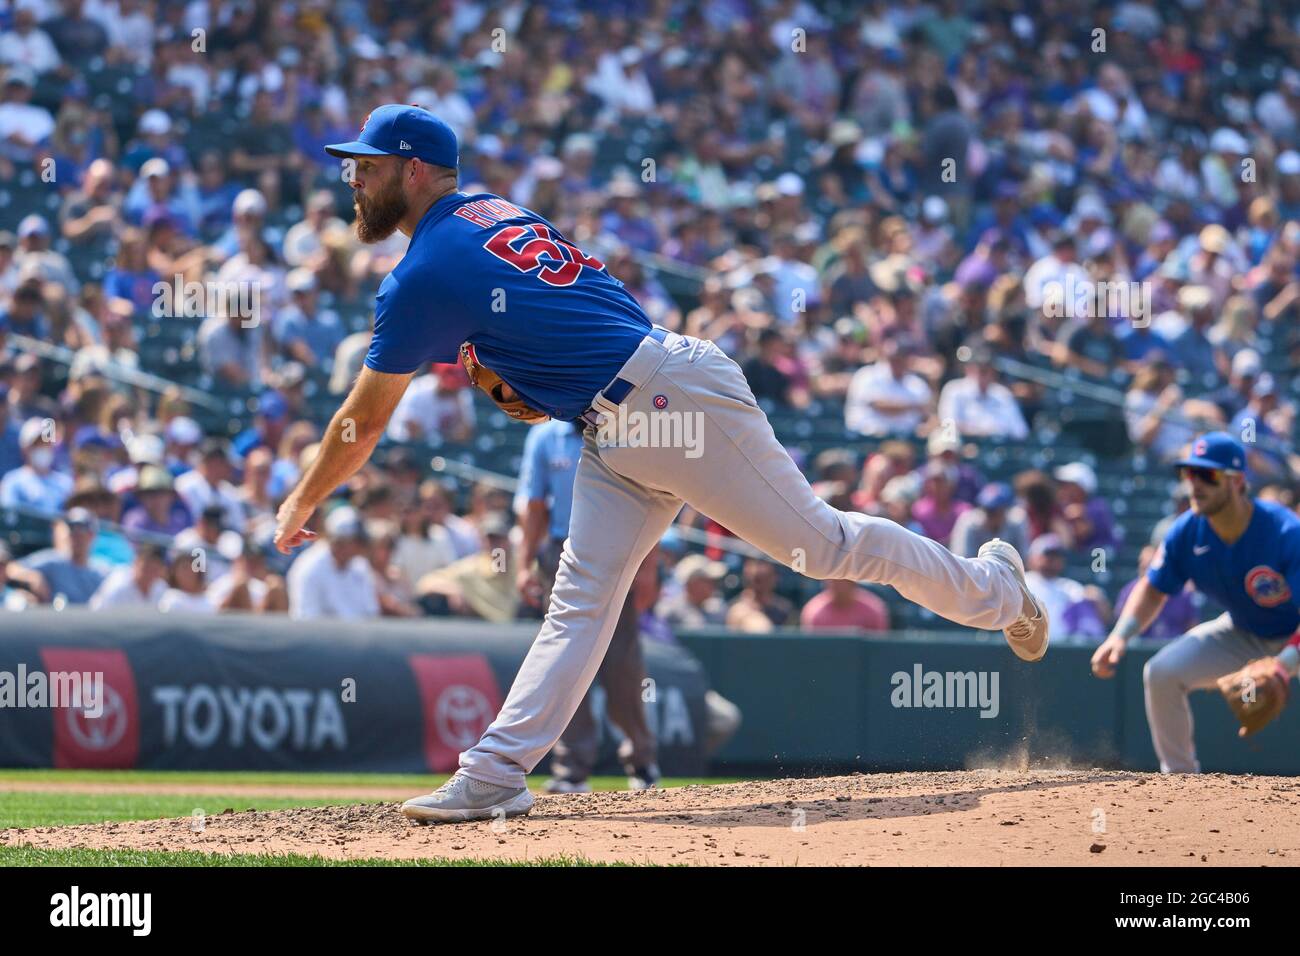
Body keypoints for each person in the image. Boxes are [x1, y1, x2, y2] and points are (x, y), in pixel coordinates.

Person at [272, 104, 1046, 825]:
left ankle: (998, 589)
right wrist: (538, 380)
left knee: (825, 546)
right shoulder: (493, 214)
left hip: (670, 401)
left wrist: (301, 499)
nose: (353, 177)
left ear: (413, 171)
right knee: (581, 601)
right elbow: (582, 316)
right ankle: (498, 770)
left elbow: (362, 424)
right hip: (619, 418)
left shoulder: (421, 270)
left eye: (368, 164)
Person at [1091, 433, 1300, 773]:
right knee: (1161, 673)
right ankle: (1180, 781)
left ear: (1238, 481)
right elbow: (1154, 589)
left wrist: (1284, 664)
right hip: (1243, 632)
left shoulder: (1285, 532)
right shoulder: (1186, 532)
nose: (1196, 484)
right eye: (1190, 474)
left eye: (1208, 475)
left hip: (1294, 637)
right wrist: (1120, 636)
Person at [515, 417, 659, 793]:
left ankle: (642, 764)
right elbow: (533, 505)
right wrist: (524, 563)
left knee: (622, 666)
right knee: (565, 660)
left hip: (618, 550)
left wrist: (648, 567)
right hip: (561, 552)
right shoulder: (545, 436)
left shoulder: (623, 428)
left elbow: (651, 498)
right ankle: (571, 770)